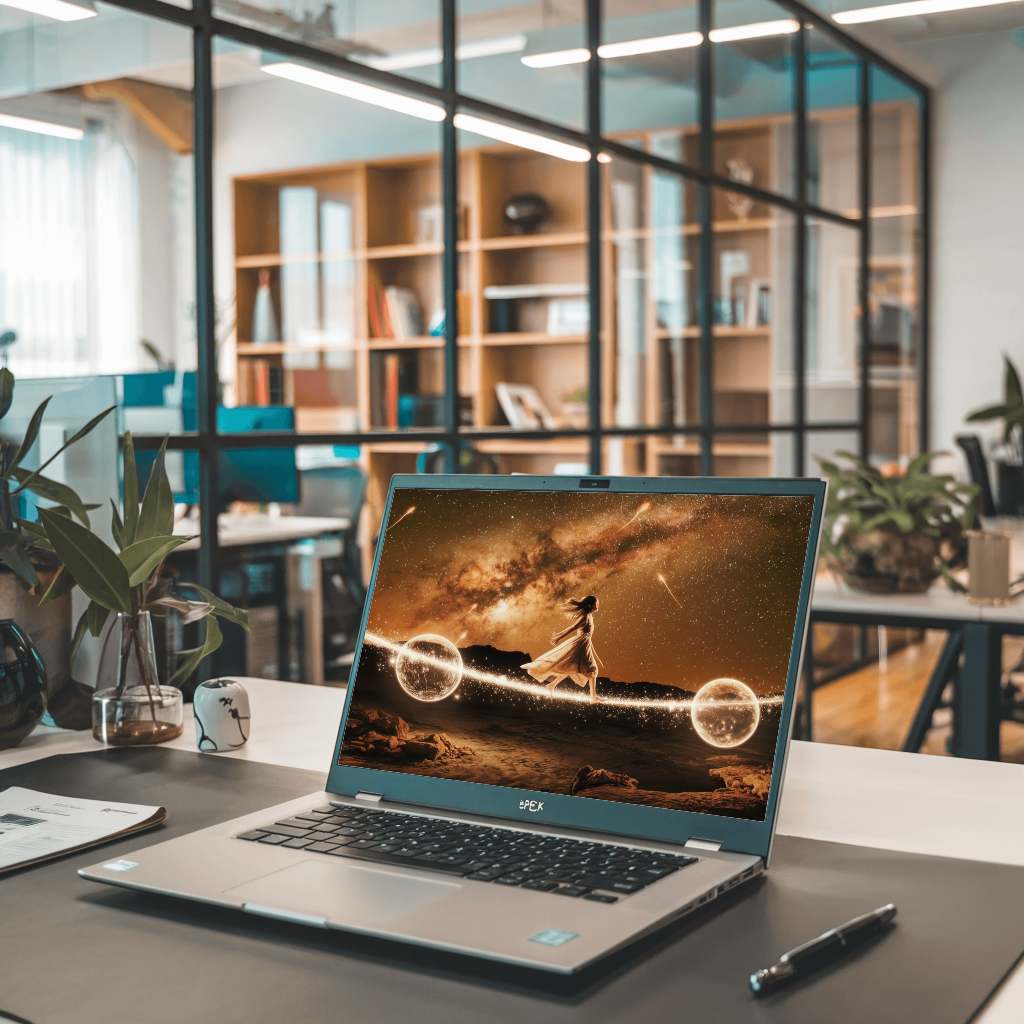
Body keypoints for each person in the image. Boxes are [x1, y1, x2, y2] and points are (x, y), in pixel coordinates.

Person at [522, 595, 603, 703]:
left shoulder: (589, 616)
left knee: (571, 667)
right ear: (590, 605)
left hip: (584, 644)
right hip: (580, 645)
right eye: (596, 603)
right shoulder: (585, 616)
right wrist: (558, 637)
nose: (598, 605)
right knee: (592, 670)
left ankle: (552, 685)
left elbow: (587, 634)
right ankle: (593, 698)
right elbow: (572, 628)